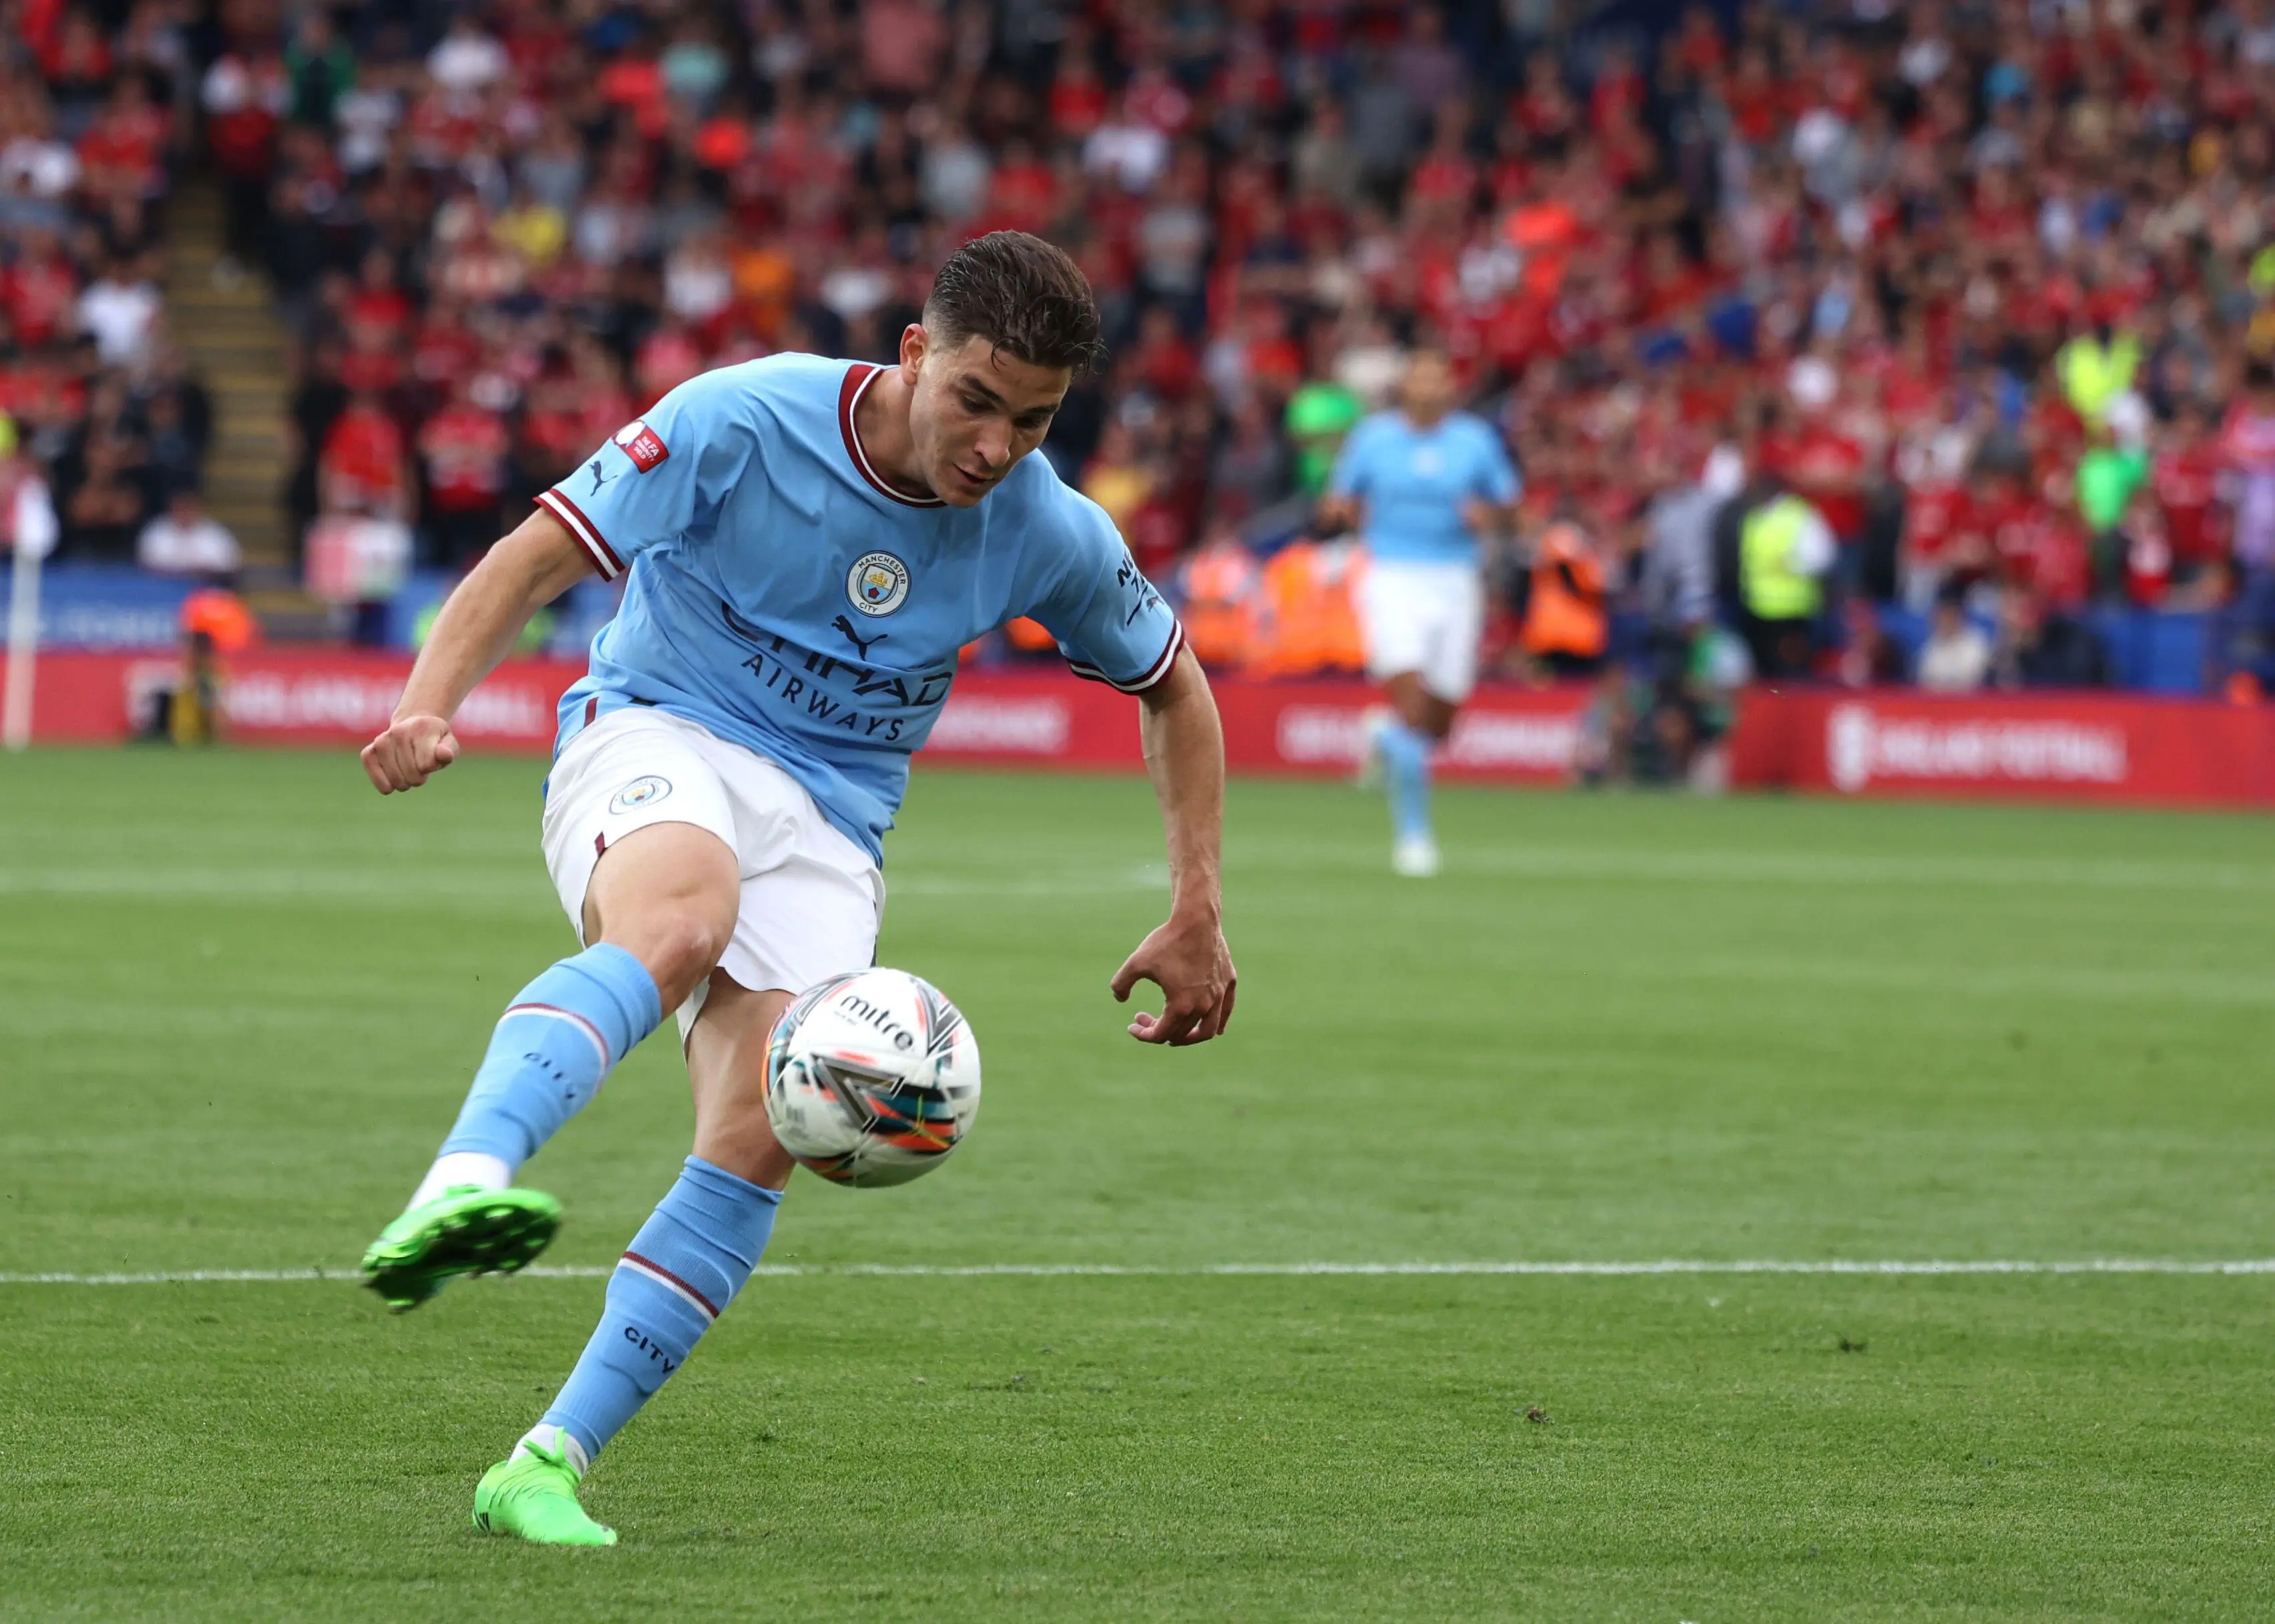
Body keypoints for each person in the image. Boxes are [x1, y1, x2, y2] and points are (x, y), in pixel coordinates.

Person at [353, 234, 1237, 1547]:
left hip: (830, 821)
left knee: (772, 1114)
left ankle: (542, 1463)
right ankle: (459, 1178)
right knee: (680, 921)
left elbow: (1172, 684)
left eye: (1034, 420)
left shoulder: (1046, 526)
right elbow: (538, 554)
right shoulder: (742, 417)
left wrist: (1195, 901)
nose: (995, 446)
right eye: (976, 402)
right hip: (657, 728)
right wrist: (427, 705)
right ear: (915, 353)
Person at [1317, 348, 1519, 877]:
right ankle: (1413, 837)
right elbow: (1338, 499)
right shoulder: (1373, 439)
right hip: (1391, 576)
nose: (1428, 388)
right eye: (1419, 378)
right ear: (1404, 386)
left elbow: (1512, 507)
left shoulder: (1475, 441)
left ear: (1451, 386)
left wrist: (1489, 514)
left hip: (1455, 580)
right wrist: (1340, 511)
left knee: (1438, 722)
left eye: (1438, 378)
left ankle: (1382, 737)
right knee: (1412, 708)